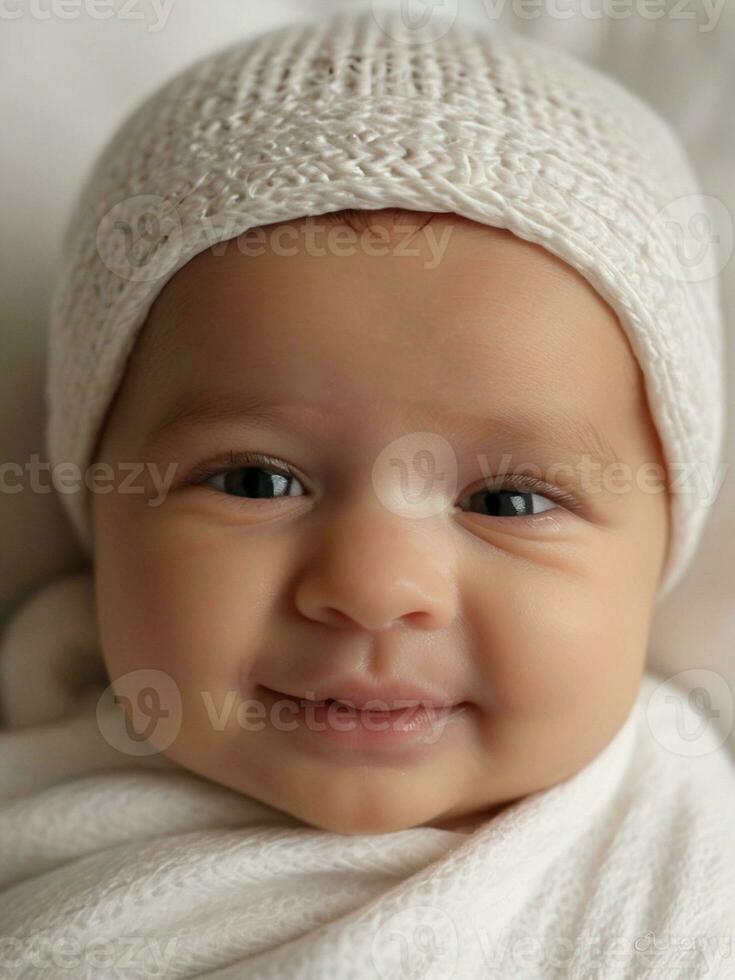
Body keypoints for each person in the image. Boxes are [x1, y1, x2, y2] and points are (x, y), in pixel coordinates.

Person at [1, 7, 733, 977]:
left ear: (660, 551)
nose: (377, 585)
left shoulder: (691, 880)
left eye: (510, 501)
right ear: (99, 501)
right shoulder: (37, 819)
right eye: (257, 480)